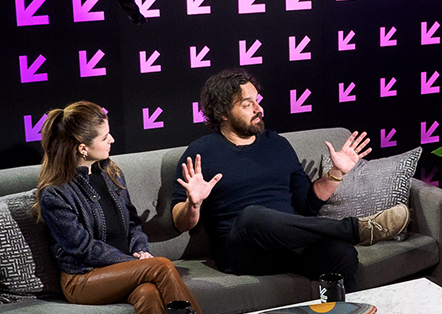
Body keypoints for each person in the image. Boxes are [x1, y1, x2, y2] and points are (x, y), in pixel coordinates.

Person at [170, 68, 410, 292]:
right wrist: (193, 204)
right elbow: (181, 223)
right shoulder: (201, 153)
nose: (258, 109)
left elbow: (306, 204)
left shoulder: (278, 145)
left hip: (288, 247)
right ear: (222, 113)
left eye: (257, 101)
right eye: (247, 104)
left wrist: (337, 173)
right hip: (242, 251)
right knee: (253, 216)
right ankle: (357, 229)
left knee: (341, 253)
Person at [35, 101, 203, 314]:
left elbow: (133, 222)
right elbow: (83, 248)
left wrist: (140, 250)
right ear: (82, 148)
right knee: (162, 267)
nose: (112, 140)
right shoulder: (55, 193)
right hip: (82, 279)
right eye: (104, 138)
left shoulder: (111, 173)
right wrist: (135, 263)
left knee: (148, 292)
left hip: (124, 269)